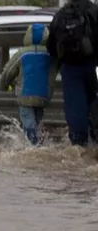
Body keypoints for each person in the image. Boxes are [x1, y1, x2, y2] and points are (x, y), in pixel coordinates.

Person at [47, 0, 98, 146]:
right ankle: (94, 136)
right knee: (92, 98)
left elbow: (51, 45)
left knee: (75, 105)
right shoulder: (93, 10)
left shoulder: (60, 15)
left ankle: (78, 143)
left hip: (69, 67)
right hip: (91, 65)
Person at [2, 23, 55, 146]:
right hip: (43, 96)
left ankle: (32, 147)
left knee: (28, 125)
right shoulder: (50, 54)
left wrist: (4, 85)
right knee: (36, 123)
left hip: (25, 96)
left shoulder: (22, 53)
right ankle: (38, 146)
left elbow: (7, 73)